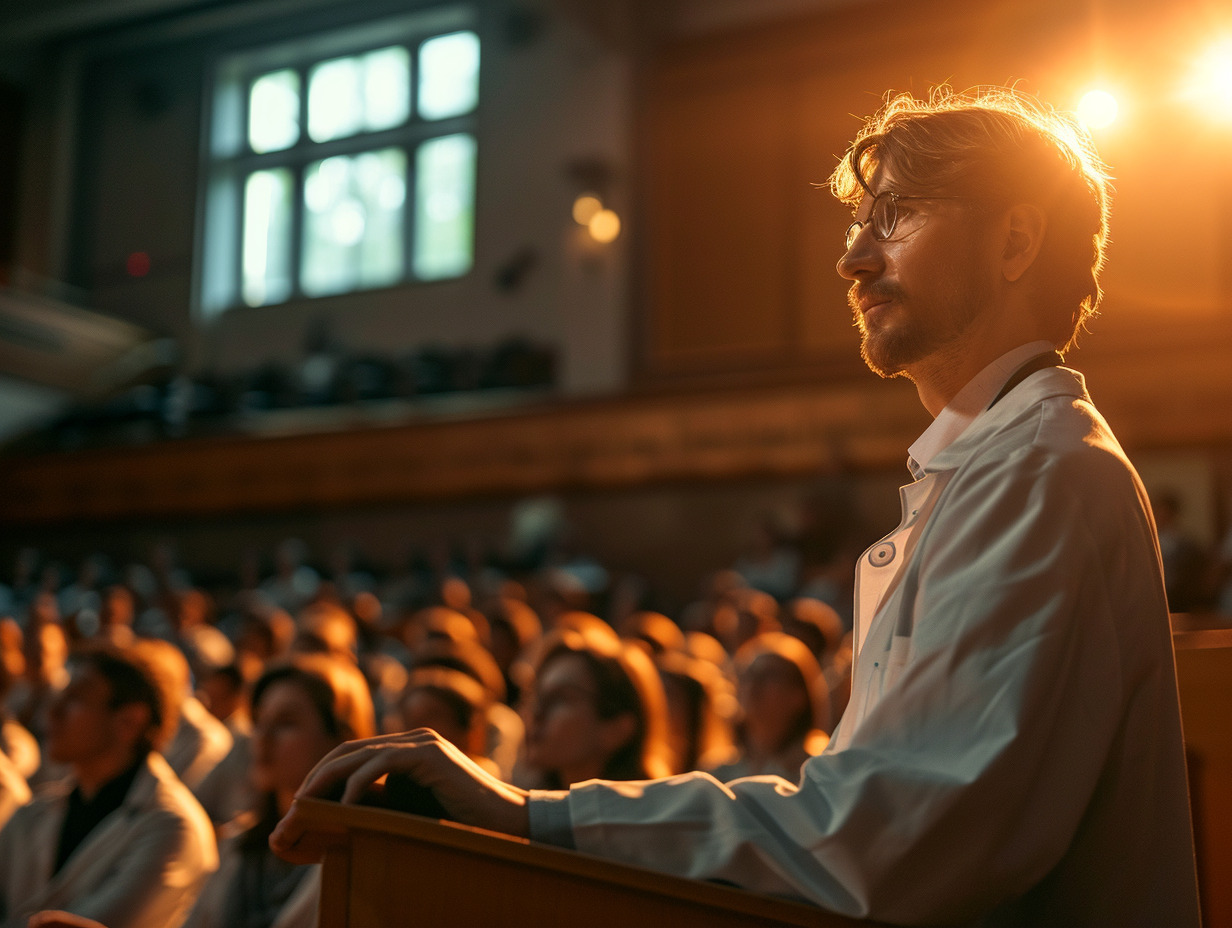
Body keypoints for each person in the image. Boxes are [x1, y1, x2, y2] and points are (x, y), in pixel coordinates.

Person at [271, 87, 1201, 926]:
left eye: (895, 216)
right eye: (860, 223)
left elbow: (889, 842)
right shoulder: (1001, 466)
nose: (852, 258)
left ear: (1015, 242)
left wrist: (532, 816)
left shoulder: (1038, 474)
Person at [0, 644, 216, 928]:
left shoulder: (172, 826)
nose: (53, 711)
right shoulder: (33, 813)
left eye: (76, 698)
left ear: (129, 722)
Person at [181, 655, 374, 928]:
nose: (263, 736)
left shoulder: (365, 861)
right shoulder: (238, 846)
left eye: (286, 722)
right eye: (259, 720)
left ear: (341, 739)